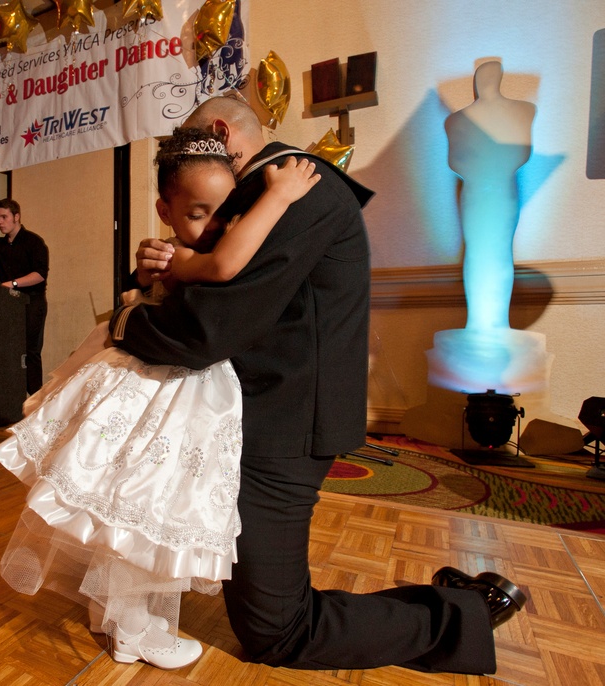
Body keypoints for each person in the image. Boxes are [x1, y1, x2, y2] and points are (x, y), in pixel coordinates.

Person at [114, 96, 527, 674]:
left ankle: (465, 615)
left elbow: (211, 326)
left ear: (221, 132)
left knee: (279, 632)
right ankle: (452, 601)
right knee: (264, 605)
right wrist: (160, 265)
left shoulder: (297, 192)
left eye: (200, 145)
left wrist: (126, 320)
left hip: (284, 427)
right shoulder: (264, 193)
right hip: (259, 417)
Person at [0, 127, 320, 670]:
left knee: (142, 508)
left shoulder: (184, 246)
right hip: (165, 394)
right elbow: (222, 267)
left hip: (184, 396)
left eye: (225, 212)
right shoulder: (183, 255)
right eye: (198, 212)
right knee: (146, 506)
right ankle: (136, 627)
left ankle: (122, 615)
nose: (214, 226)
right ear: (165, 211)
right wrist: (278, 196)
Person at [445, 60, 535, 331]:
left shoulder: (524, 110)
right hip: (476, 194)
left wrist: (485, 165)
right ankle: (479, 321)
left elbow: (522, 152)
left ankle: (496, 322)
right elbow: (454, 161)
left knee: (499, 253)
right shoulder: (456, 119)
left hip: (500, 192)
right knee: (476, 253)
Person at [0, 199, 49, 395]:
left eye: (4, 217)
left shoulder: (34, 242)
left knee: (31, 352)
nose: (0, 222)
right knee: (10, 351)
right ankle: (13, 398)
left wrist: (13, 283)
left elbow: (40, 274)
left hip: (32, 302)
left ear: (17, 217)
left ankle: (35, 400)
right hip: (9, 304)